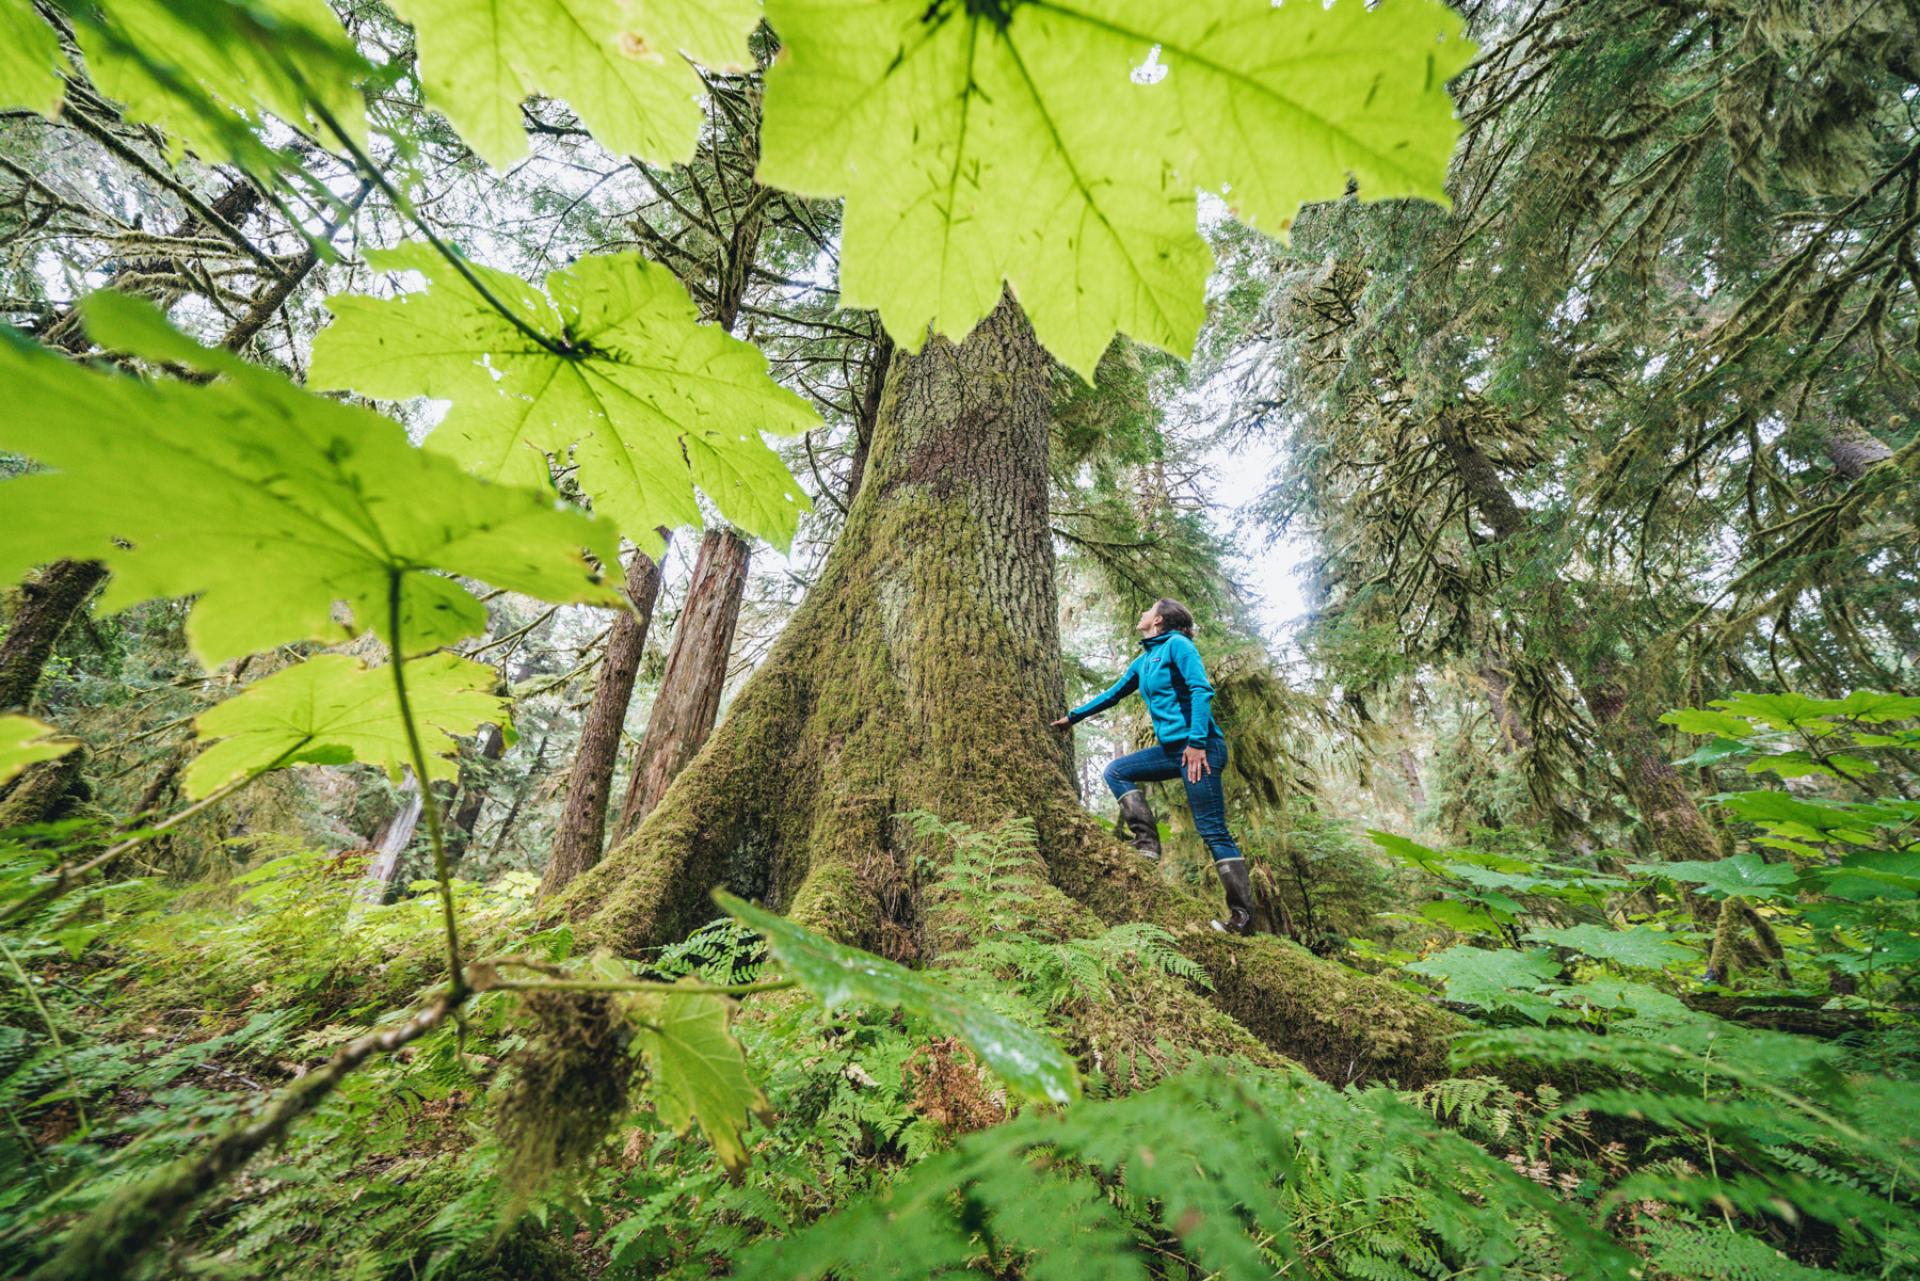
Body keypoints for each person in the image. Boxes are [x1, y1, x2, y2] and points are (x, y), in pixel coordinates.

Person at [1051, 598, 1254, 935]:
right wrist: (1074, 717)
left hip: (1200, 749)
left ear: (1158, 620)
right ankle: (1146, 844)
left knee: (1212, 829)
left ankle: (1242, 920)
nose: (1142, 613)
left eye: (1148, 610)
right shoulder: (1144, 660)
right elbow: (1113, 694)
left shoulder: (1178, 645)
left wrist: (1197, 743)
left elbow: (1201, 691)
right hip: (1172, 750)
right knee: (1117, 771)